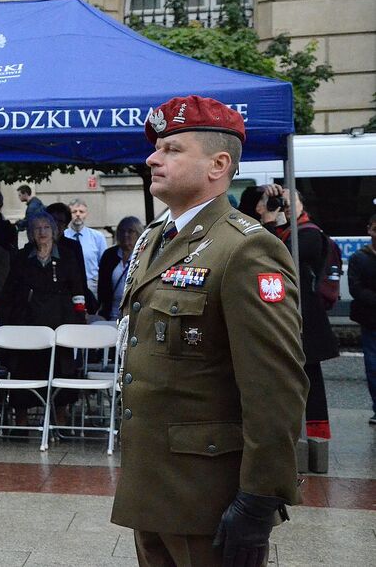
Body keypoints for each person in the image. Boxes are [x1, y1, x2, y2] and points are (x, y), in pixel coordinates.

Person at [111, 95, 308, 567]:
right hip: (153, 488)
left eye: (173, 149)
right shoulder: (157, 239)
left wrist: (259, 498)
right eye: (157, 147)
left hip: (208, 498)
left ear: (219, 164)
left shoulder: (245, 249)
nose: (152, 158)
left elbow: (274, 385)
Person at [241, 184, 339, 439]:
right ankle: (285, 430)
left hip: (305, 319)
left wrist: (272, 222)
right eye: (279, 200)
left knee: (310, 376)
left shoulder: (309, 234)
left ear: (301, 204)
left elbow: (275, 259)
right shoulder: (280, 230)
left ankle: (316, 435)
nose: (283, 204)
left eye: (288, 200)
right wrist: (264, 205)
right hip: (280, 317)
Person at [1, 211, 88, 425]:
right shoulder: (22, 258)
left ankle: (60, 418)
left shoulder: (67, 256)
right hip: (27, 324)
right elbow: (10, 292)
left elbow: (78, 289)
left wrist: (79, 317)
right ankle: (21, 420)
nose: (42, 232)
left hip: (60, 322)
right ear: (31, 233)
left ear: (54, 231)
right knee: (25, 370)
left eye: (46, 228)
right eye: (37, 228)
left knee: (62, 369)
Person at [349, 214, 376, 425]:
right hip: (370, 319)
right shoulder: (360, 257)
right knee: (373, 365)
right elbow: (356, 288)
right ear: (369, 230)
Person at [97, 216, 143, 320]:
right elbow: (102, 288)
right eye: (122, 231)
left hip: (135, 316)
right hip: (111, 314)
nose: (125, 235)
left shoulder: (144, 255)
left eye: (130, 231)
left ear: (139, 234)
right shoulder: (109, 255)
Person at [63, 197, 108, 298]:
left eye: (81, 211)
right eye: (74, 211)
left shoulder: (97, 237)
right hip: (68, 285)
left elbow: (104, 265)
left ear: (86, 214)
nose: (78, 214)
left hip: (92, 285)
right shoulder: (63, 236)